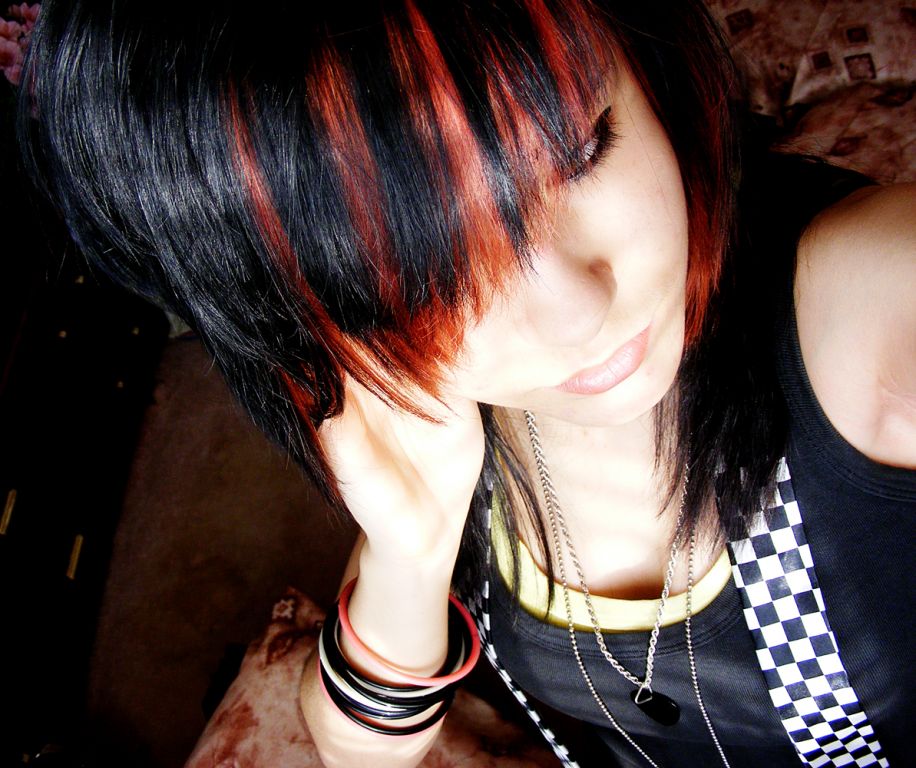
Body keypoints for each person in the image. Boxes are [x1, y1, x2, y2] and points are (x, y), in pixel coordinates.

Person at [19, 1, 914, 766]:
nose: (576, 312)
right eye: (420, 270)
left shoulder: (873, 312)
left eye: (579, 148)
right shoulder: (443, 429)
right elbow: (355, 749)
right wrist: (410, 552)